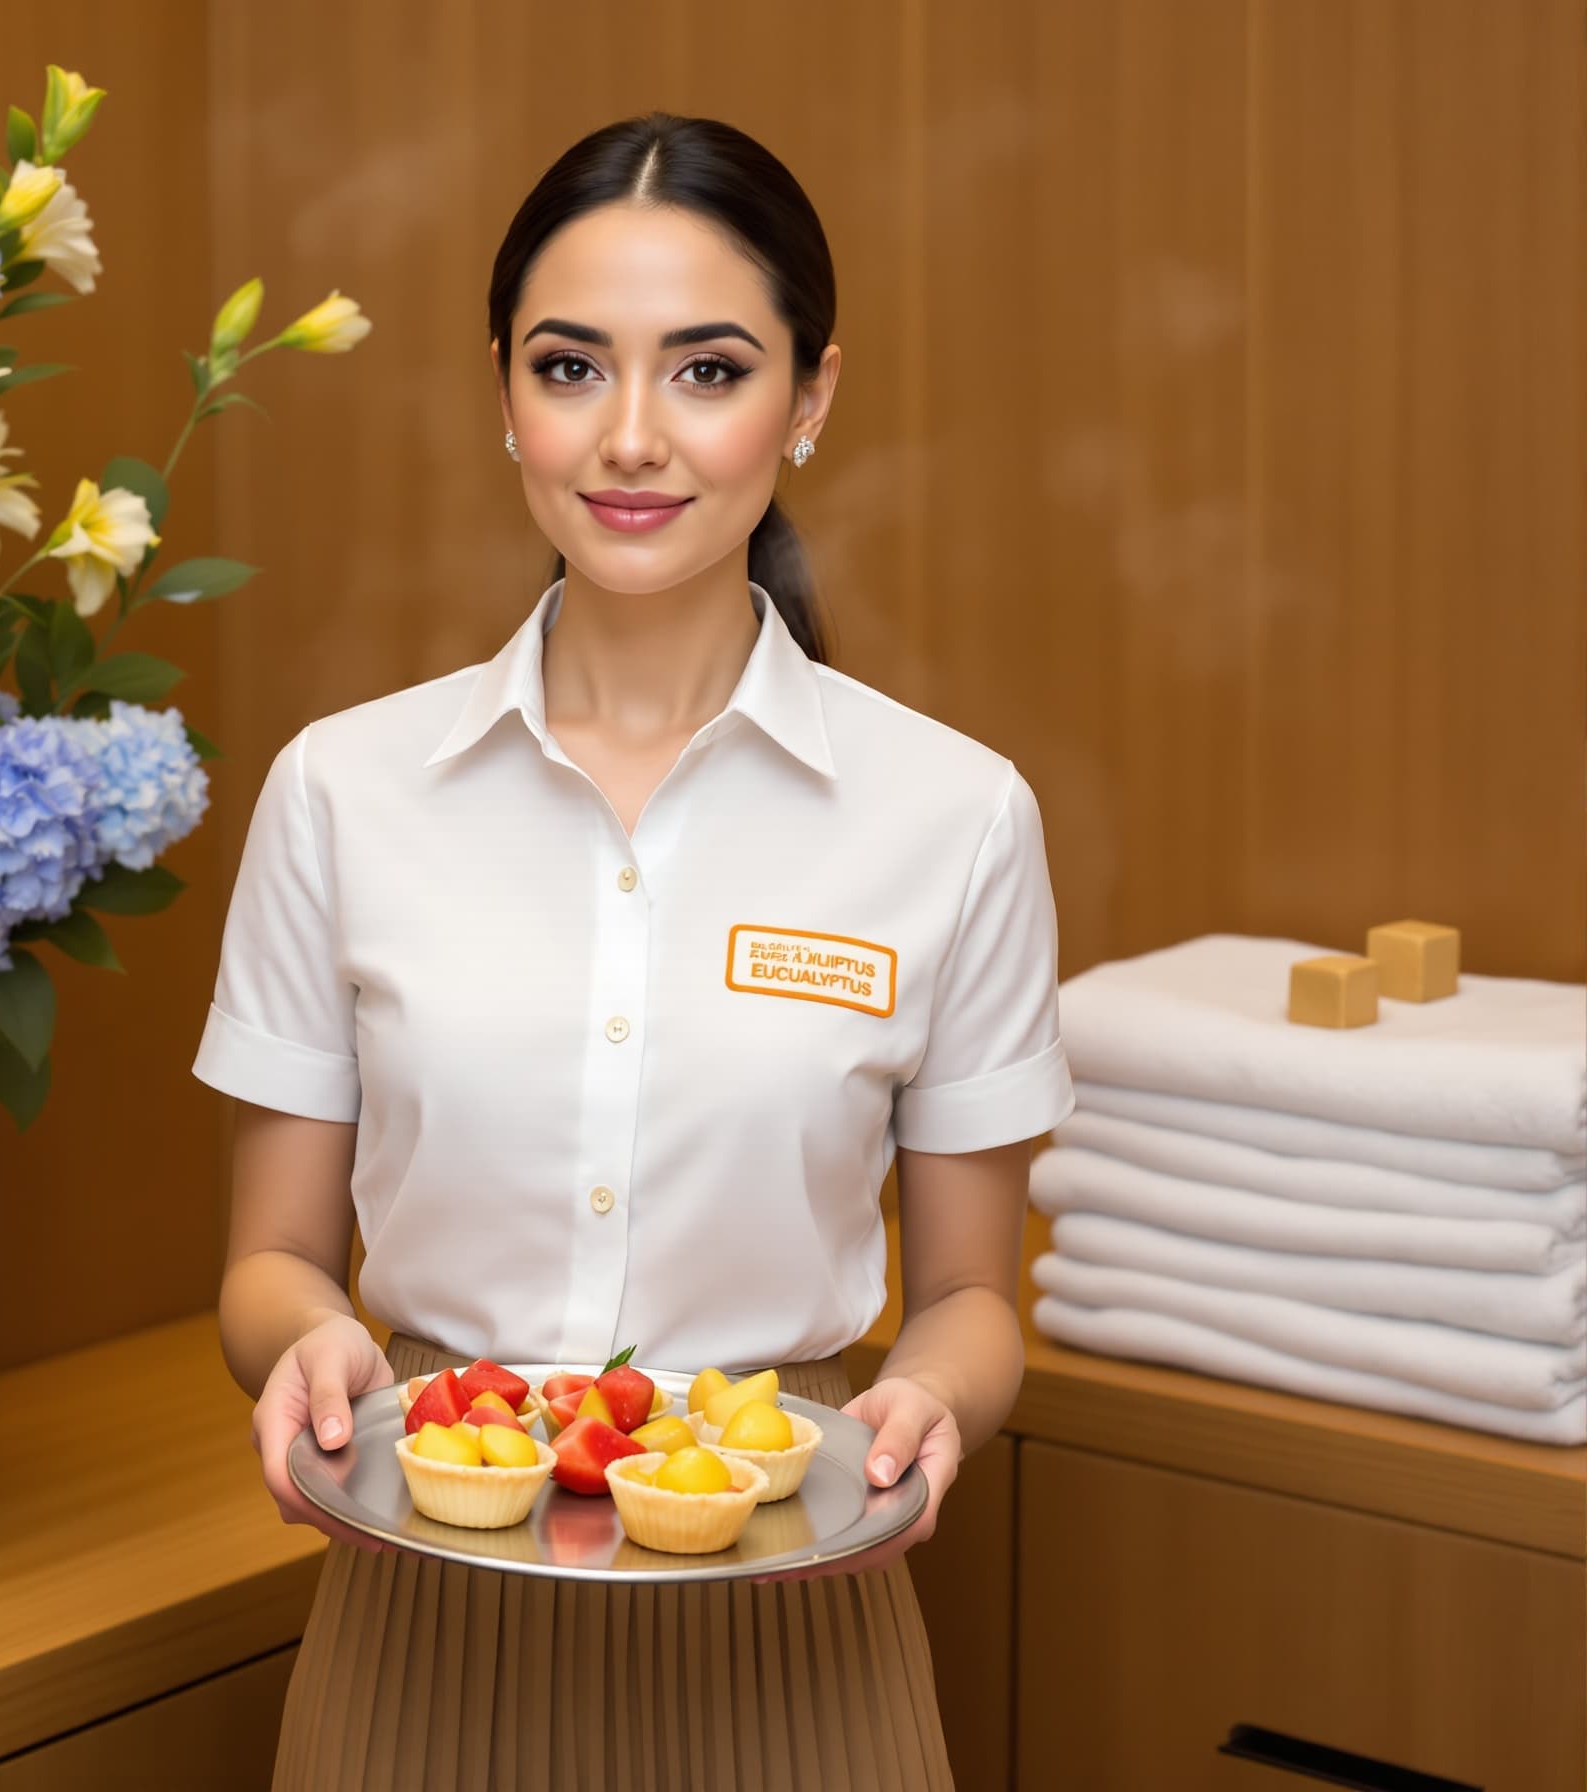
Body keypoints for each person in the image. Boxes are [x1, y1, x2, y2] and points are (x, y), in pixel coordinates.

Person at [196, 109, 1073, 1792]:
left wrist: (924, 1406)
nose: (635, 438)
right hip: (420, 1623)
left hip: (796, 1641)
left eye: (711, 369)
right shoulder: (343, 791)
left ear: (810, 399)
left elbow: (970, 1296)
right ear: (503, 398)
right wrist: (302, 1341)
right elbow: (271, 1260)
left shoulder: (953, 816)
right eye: (574, 366)